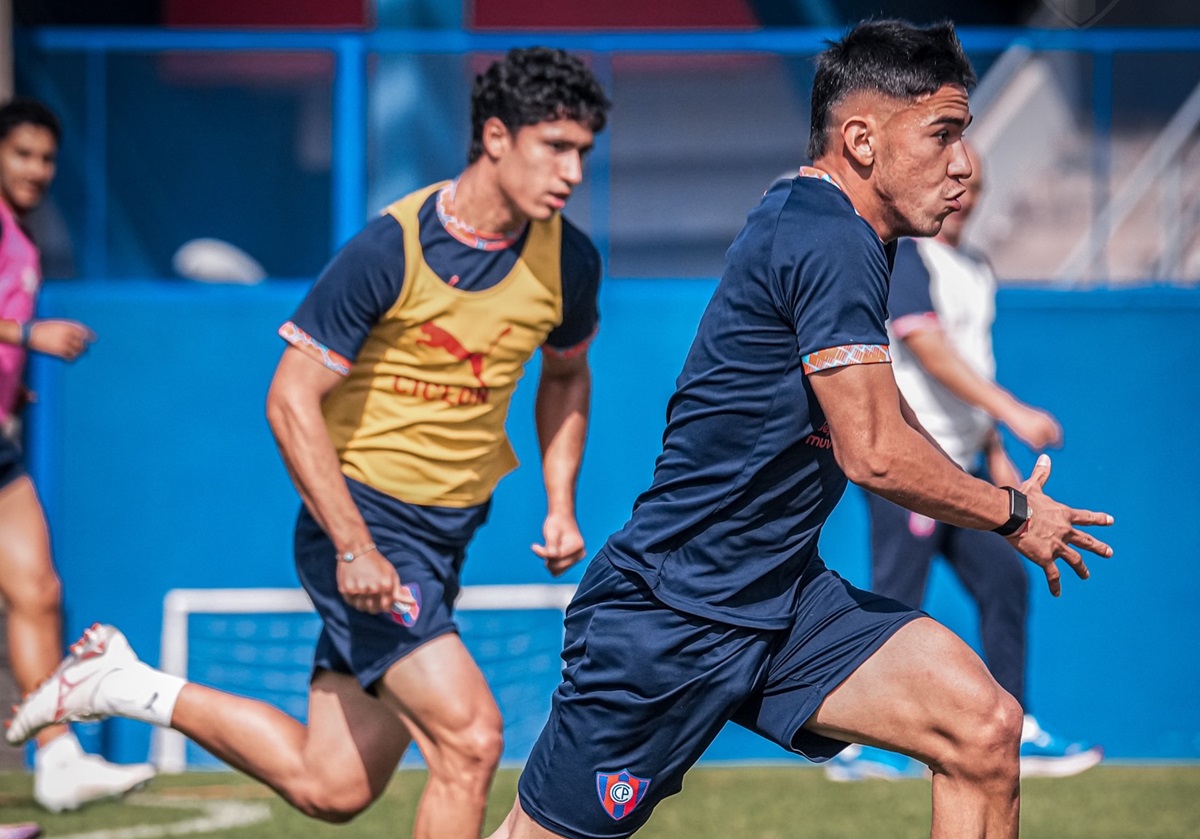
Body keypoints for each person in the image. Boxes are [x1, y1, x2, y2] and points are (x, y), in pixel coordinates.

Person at [484, 20, 1112, 839]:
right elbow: (874, 454)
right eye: (944, 134)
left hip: (782, 599)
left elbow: (885, 413)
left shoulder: (846, 233)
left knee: (981, 726)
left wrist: (986, 478)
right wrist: (1014, 513)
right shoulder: (827, 235)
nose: (963, 164)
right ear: (861, 140)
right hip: (674, 615)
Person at [5, 47, 610, 838]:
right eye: (554, 147)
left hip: (445, 536)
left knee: (331, 782)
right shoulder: (390, 248)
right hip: (362, 524)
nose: (571, 171)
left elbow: (566, 377)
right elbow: (290, 399)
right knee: (470, 738)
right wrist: (355, 544)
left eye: (583, 153)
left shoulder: (568, 260)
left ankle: (126, 683)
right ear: (495, 136)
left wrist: (560, 501)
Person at [825, 142, 1102, 783]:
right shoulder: (909, 257)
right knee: (896, 599)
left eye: (973, 188)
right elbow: (928, 348)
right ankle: (863, 744)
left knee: (1006, 580)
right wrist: (1013, 411)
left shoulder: (975, 266)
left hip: (969, 465)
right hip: (910, 462)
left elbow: (973, 362)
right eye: (955, 183)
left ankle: (1017, 726)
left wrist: (998, 457)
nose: (963, 198)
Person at [0, 98, 156, 817]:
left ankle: (58, 758)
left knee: (39, 590)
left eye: (46, 157)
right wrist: (25, 336)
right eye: (22, 152)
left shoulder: (21, 236)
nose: (36, 168)